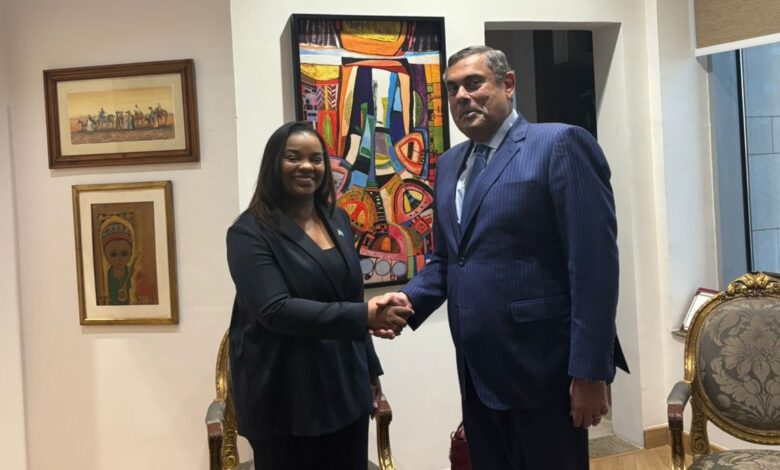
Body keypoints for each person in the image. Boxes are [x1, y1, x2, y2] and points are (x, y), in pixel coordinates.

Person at [377, 46, 629, 469]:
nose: (462, 96)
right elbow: (448, 259)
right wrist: (406, 302)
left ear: (507, 84)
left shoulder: (559, 144)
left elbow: (594, 268)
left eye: (473, 83)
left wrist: (590, 371)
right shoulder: (450, 163)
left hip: (542, 373)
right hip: (476, 374)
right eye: (452, 89)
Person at [225, 121, 412, 469]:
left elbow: (351, 295)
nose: (306, 166)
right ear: (273, 164)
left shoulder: (336, 218)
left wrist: (371, 372)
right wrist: (366, 316)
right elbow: (275, 309)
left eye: (316, 159)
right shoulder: (248, 233)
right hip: (286, 397)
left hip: (345, 388)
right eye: (293, 157)